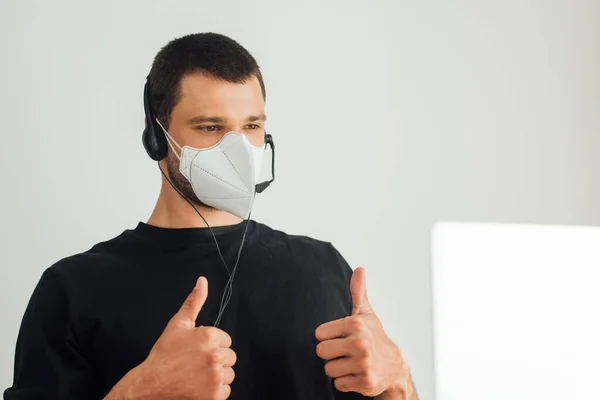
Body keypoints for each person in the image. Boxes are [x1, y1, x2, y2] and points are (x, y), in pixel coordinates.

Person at [4, 33, 418, 400]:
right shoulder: (74, 289)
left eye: (251, 126)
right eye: (209, 128)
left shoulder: (323, 267)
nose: (237, 149)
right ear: (155, 135)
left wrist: (398, 381)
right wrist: (140, 393)